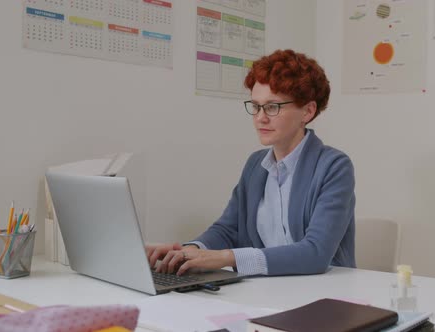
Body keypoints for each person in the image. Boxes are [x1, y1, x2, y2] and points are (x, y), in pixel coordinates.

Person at [146, 49, 356, 276]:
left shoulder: (334, 166)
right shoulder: (256, 165)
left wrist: (224, 258)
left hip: (324, 294)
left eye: (272, 106)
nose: (260, 117)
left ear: (307, 111)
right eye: (256, 106)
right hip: (269, 290)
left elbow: (316, 253)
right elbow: (228, 229)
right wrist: (189, 251)